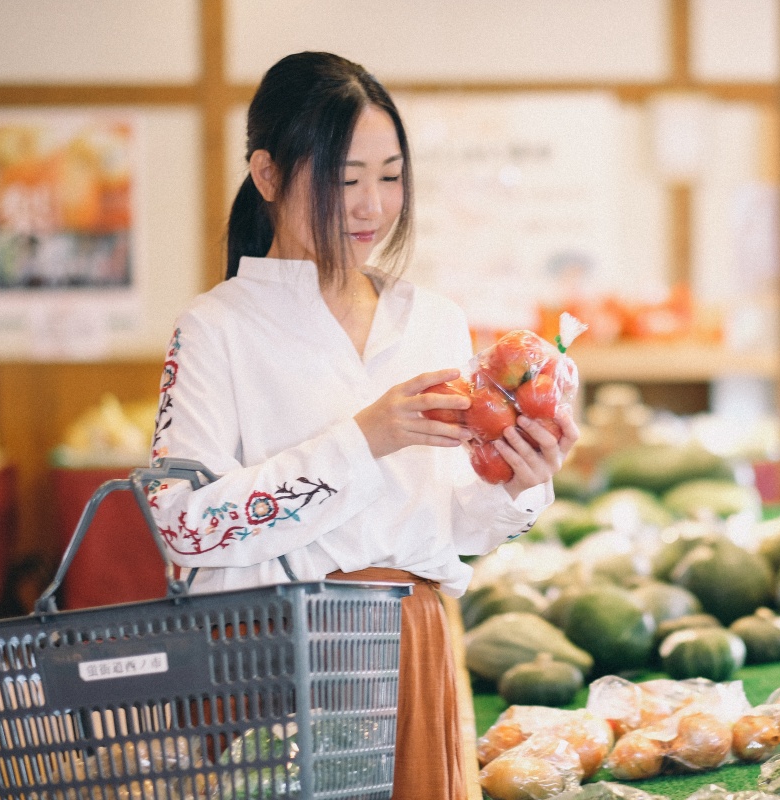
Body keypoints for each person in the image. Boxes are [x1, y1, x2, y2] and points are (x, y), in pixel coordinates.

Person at [147, 51, 577, 800]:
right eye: (343, 179)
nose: (371, 206)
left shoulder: (434, 320)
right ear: (268, 175)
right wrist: (363, 438)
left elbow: (456, 528)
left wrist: (517, 479)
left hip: (420, 644)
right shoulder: (215, 328)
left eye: (390, 176)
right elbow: (184, 528)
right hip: (277, 660)